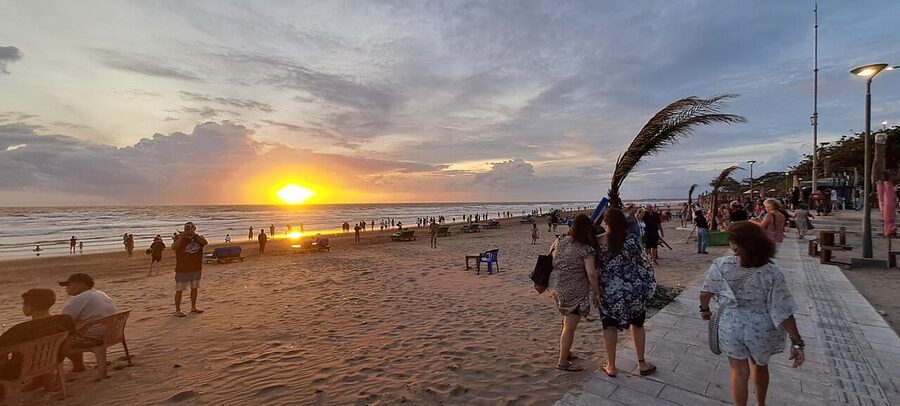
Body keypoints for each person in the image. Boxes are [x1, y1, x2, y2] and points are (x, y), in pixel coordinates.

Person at [699, 221, 805, 406]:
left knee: (739, 372)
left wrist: (705, 310)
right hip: (761, 327)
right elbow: (783, 310)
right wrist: (797, 341)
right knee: (760, 366)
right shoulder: (772, 272)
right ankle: (760, 404)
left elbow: (705, 293)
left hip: (731, 325)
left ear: (735, 244)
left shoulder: (721, 265)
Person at [596, 208, 657, 377]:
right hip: (633, 289)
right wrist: (647, 284)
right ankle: (642, 363)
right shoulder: (632, 240)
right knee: (637, 324)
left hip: (609, 292)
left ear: (606, 224)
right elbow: (644, 263)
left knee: (609, 325)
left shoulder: (599, 242)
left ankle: (612, 366)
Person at [547, 214, 599, 372]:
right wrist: (596, 292)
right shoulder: (585, 249)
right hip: (574, 291)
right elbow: (591, 274)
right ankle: (562, 361)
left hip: (556, 287)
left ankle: (566, 351)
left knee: (566, 322)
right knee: (570, 326)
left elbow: (550, 255)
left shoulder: (560, 241)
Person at [0, 289, 75, 387]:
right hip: (54, 359)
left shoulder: (20, 329)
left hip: (22, 368)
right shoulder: (65, 319)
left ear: (30, 307)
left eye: (24, 304)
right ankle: (39, 380)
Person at [58, 273, 117, 372]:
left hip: (95, 336)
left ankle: (76, 366)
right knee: (74, 331)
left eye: (69, 285)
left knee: (56, 343)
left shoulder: (80, 298)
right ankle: (78, 364)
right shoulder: (100, 293)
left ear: (81, 284)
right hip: (112, 333)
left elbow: (64, 321)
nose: (67, 288)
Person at [172, 222, 207, 317]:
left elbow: (205, 243)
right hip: (182, 268)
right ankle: (177, 310)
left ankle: (193, 307)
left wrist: (194, 235)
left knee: (194, 288)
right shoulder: (179, 238)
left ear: (195, 228)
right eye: (187, 227)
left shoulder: (199, 238)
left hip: (196, 267)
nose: (189, 229)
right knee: (179, 289)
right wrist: (182, 237)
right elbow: (174, 247)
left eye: (191, 227)